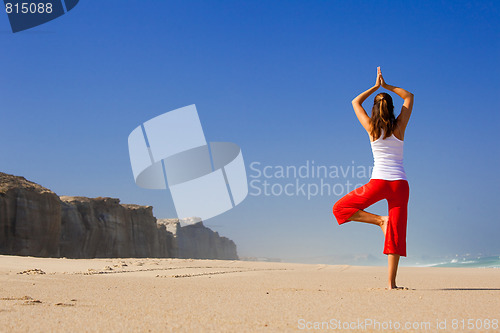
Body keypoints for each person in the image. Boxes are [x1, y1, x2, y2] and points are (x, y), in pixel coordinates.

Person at [332, 67, 414, 290]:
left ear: (375, 109)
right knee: (395, 233)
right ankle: (391, 284)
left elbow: (354, 102)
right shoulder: (400, 126)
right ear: (392, 107)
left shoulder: (371, 127)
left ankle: (379, 220)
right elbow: (409, 96)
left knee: (340, 208)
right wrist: (386, 86)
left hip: (377, 184)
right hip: (400, 185)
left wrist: (375, 87)